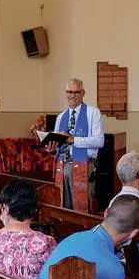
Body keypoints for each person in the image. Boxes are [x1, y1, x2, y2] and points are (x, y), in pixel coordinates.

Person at [46, 78, 104, 213]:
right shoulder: (61, 117)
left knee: (82, 208)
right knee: (63, 205)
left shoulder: (93, 112)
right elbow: (58, 144)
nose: (72, 95)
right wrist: (53, 150)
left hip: (84, 165)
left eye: (76, 92)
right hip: (63, 165)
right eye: (69, 92)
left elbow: (99, 141)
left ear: (83, 93)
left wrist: (74, 140)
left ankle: (83, 233)